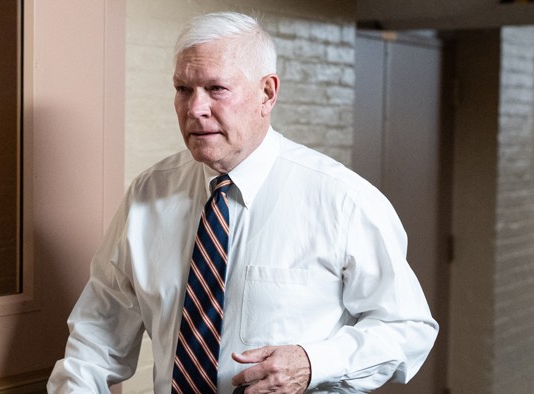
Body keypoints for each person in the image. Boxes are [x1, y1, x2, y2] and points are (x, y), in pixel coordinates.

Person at [47, 11, 438, 393]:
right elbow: (97, 340)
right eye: (183, 89)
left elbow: (408, 329)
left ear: (266, 93)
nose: (194, 108)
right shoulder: (148, 195)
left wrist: (313, 362)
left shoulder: (343, 201)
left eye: (216, 89)